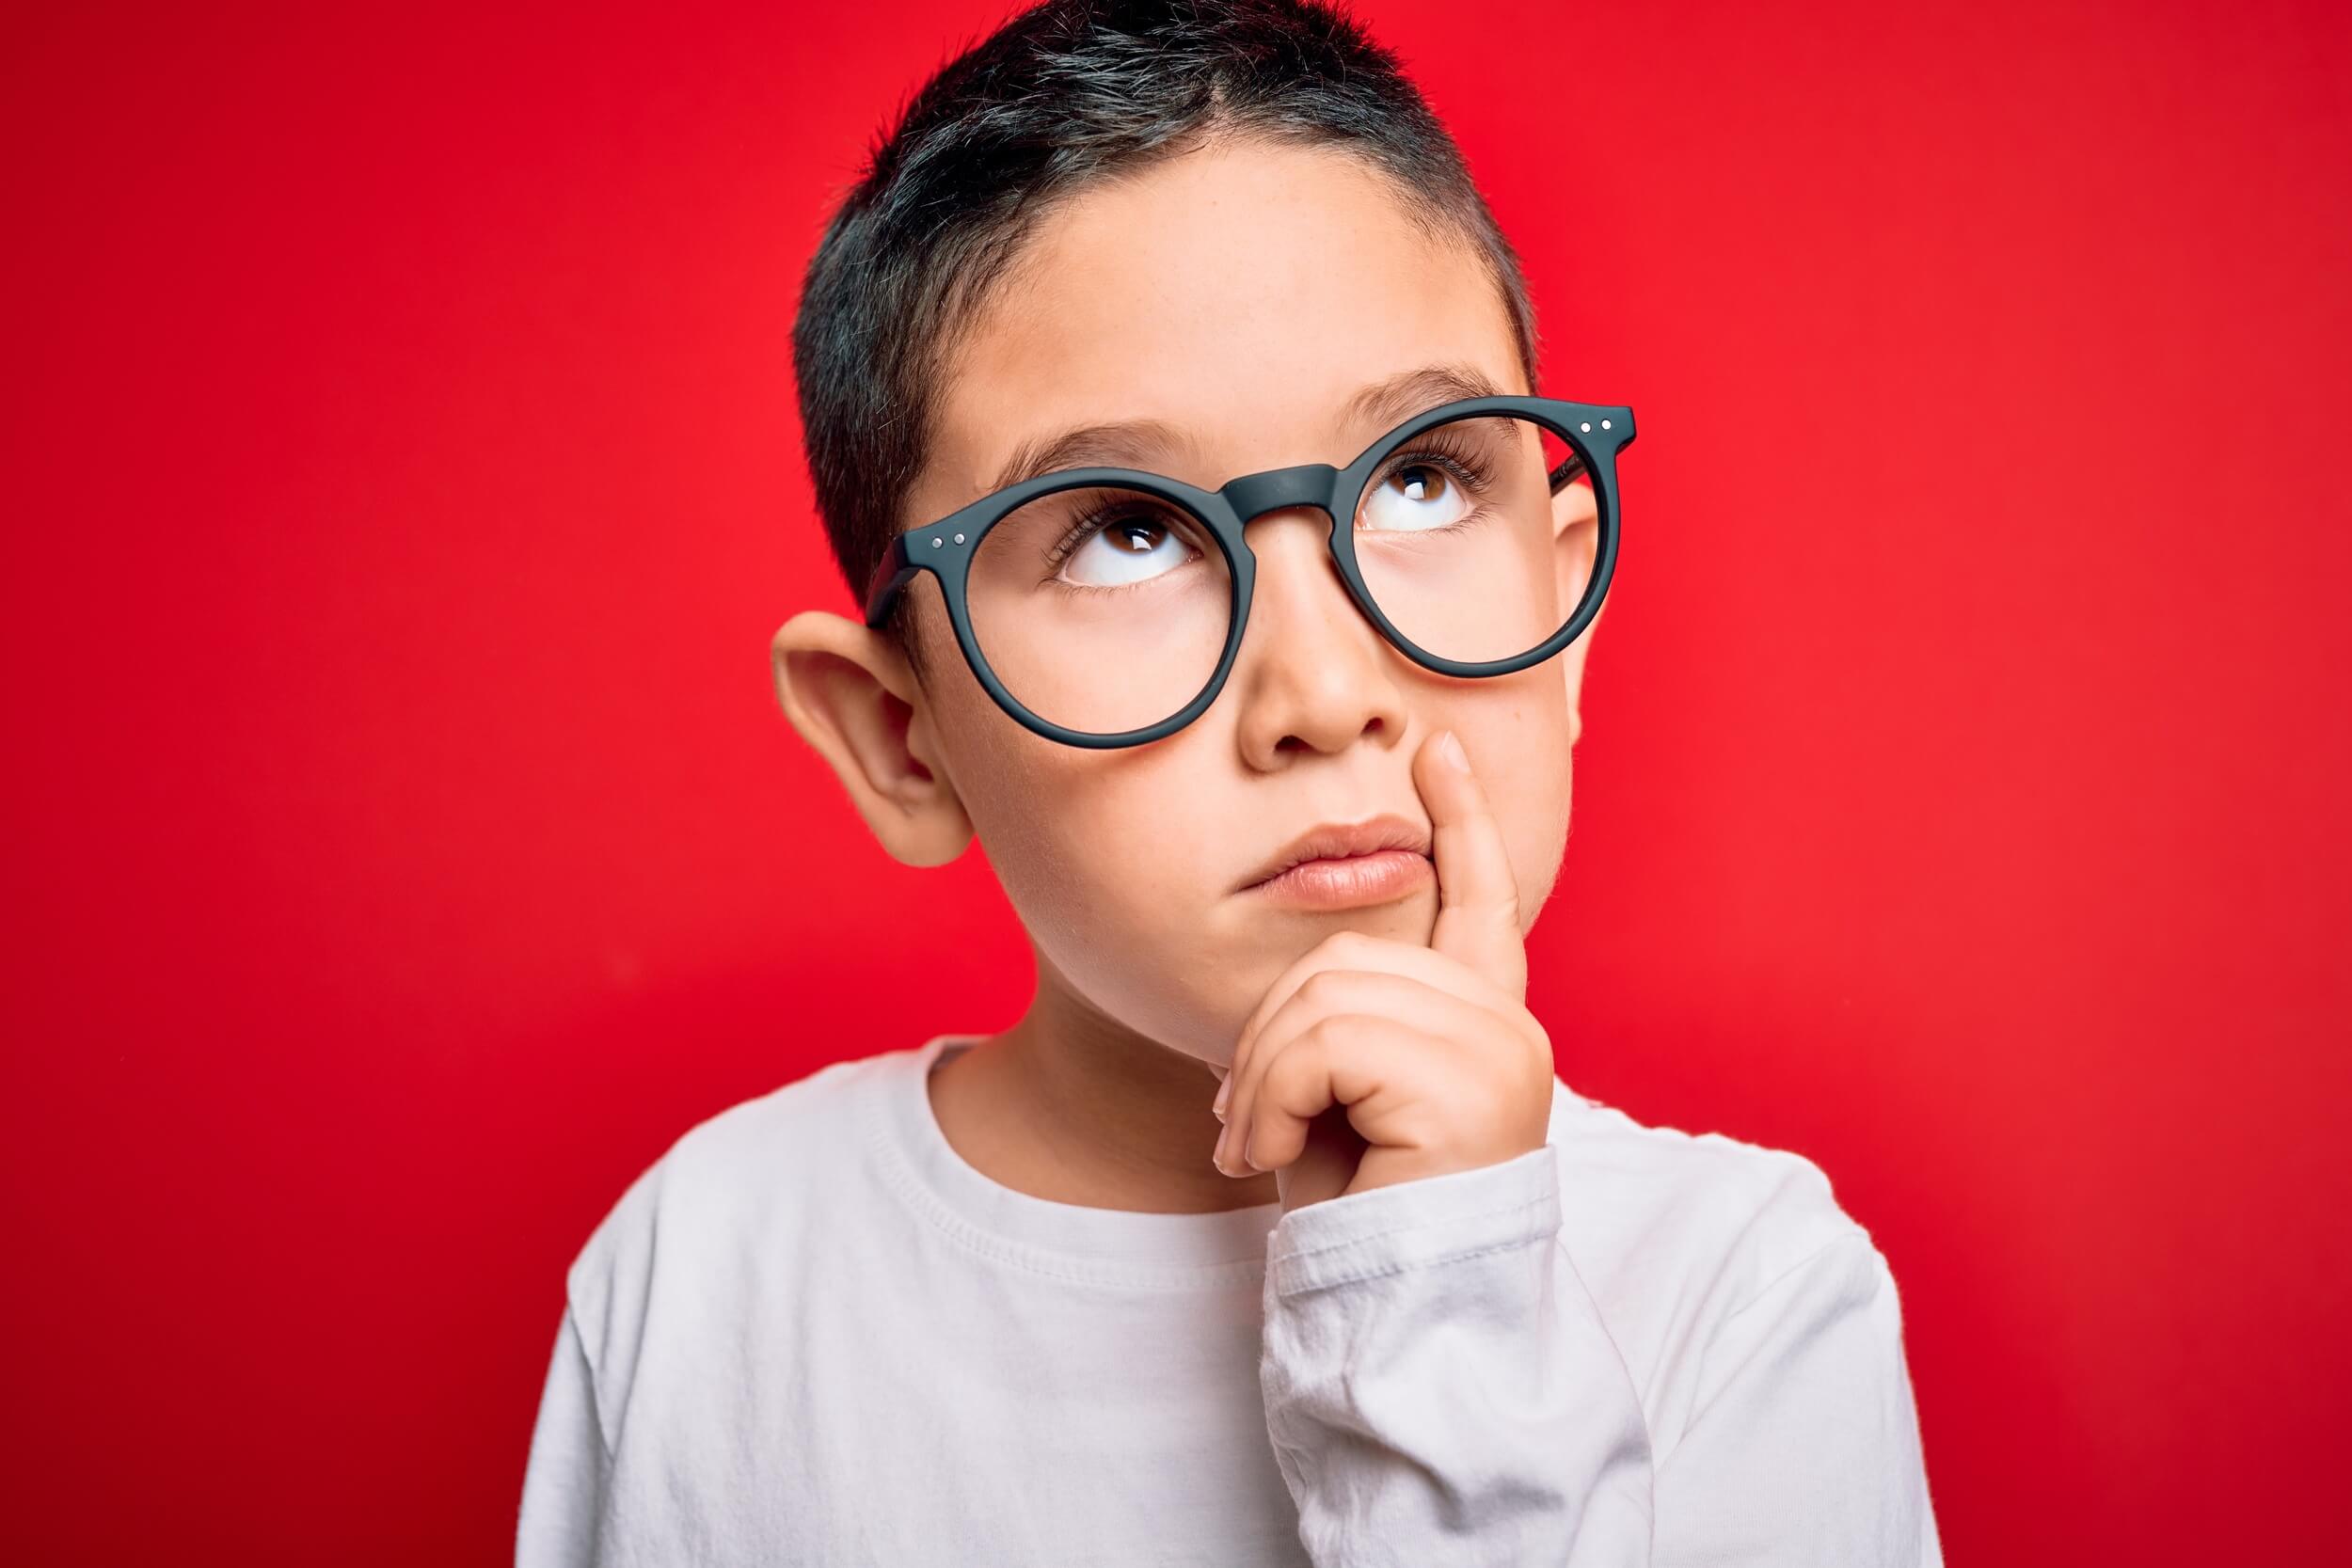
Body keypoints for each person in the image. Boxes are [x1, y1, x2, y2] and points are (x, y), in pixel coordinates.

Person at [515, 1, 1942, 1561]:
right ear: (903, 737)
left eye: (1422, 476)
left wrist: (1440, 1296)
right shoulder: (713, 1276)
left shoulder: (1739, 1296)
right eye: (1126, 532)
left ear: (1563, 602)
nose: (1325, 696)